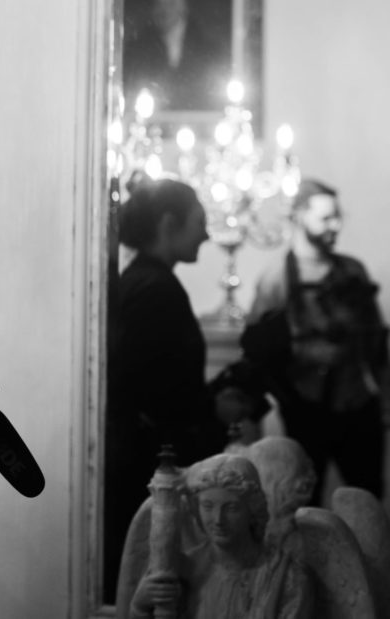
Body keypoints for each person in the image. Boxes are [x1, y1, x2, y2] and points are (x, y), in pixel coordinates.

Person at [104, 178, 226, 602]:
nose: (208, 234)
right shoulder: (155, 289)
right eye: (200, 222)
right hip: (148, 466)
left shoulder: (145, 281)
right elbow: (141, 390)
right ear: (169, 223)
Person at [245, 179, 388, 501]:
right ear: (299, 216)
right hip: (306, 410)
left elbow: (377, 341)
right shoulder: (276, 278)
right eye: (325, 218)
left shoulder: (353, 270)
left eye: (338, 217)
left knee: (367, 502)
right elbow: (257, 350)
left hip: (358, 407)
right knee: (302, 501)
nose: (335, 225)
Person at [131, 454, 312, 619]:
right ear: (196, 509)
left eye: (231, 508)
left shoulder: (286, 576)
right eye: (208, 507)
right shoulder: (180, 568)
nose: (218, 520)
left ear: (252, 510)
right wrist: (140, 607)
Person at [123, 0, 229, 112]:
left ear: (184, 6)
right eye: (158, 2)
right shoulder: (137, 48)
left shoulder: (207, 49)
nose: (164, 10)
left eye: (171, 3)